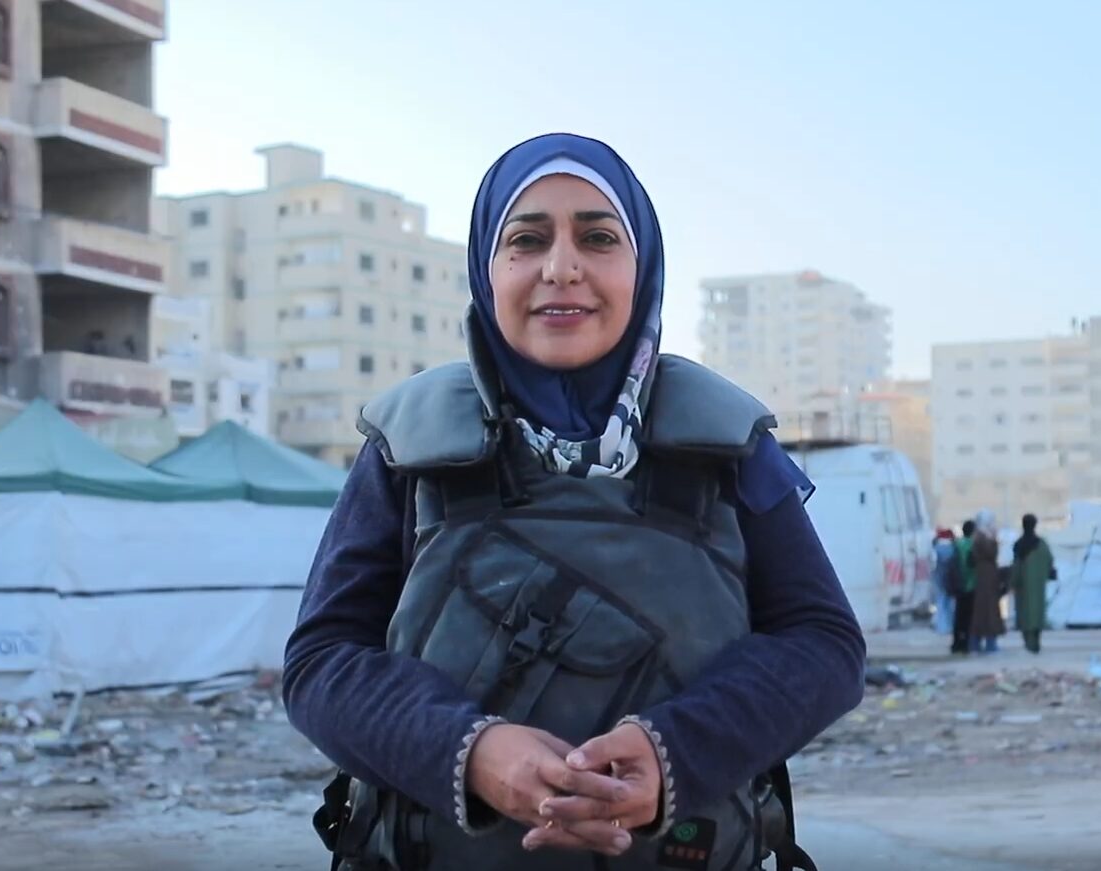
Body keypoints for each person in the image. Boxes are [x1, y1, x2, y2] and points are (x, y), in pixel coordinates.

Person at [282, 133, 866, 871]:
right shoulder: (408, 446)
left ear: (642, 264)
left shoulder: (728, 441)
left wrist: (672, 753)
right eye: (526, 240)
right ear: (486, 270)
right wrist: (470, 752)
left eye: (597, 237)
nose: (563, 268)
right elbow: (322, 661)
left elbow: (824, 643)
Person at [1010, 514, 1054, 654]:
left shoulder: (1019, 545)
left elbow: (1016, 566)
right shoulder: (1042, 544)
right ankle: (1035, 641)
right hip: (1038, 586)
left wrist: (1012, 582)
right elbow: (1049, 563)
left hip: (1023, 586)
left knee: (1025, 615)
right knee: (1037, 614)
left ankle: (1028, 642)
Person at [968, 511, 1005, 654]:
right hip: (985, 578)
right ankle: (985, 643)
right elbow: (991, 553)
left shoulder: (979, 537)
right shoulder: (982, 538)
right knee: (986, 612)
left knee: (985, 612)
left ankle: (981, 643)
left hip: (986, 578)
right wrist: (994, 539)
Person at [951, 519, 977, 654]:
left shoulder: (956, 544)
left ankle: (956, 643)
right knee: (968, 617)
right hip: (971, 584)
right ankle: (966, 643)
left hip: (958, 584)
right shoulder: (973, 545)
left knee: (958, 616)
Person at [932, 528, 958, 635]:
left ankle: (941, 627)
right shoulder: (953, 549)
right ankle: (951, 625)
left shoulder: (936, 549)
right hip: (951, 579)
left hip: (939, 578)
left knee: (941, 603)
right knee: (951, 604)